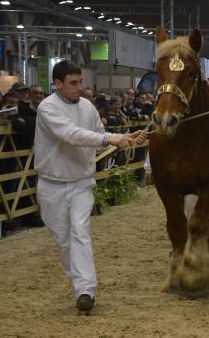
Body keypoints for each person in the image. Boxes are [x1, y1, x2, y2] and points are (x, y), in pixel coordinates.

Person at [34, 60, 146, 314]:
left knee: (80, 231)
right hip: (51, 184)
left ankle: (86, 290)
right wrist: (109, 138)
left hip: (81, 181)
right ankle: (80, 285)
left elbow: (97, 137)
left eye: (80, 82)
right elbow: (71, 134)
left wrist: (125, 140)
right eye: (73, 83)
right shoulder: (47, 108)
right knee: (64, 241)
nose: (79, 88)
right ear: (58, 84)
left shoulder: (87, 107)